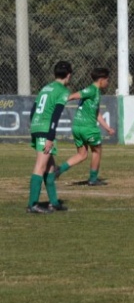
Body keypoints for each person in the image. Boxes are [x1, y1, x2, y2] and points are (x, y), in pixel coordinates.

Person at [27, 60, 80, 214]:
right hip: (45, 130)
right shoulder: (62, 91)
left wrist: (35, 126)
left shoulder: (45, 88)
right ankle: (32, 204)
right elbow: (56, 116)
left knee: (50, 167)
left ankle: (54, 203)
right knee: (41, 166)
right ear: (68, 75)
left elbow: (33, 110)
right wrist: (50, 137)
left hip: (37, 126)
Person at [54, 67, 115, 186]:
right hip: (88, 128)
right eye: (107, 80)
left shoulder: (96, 92)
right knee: (97, 151)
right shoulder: (92, 90)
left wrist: (107, 127)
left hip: (77, 127)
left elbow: (96, 113)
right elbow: (73, 96)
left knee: (82, 155)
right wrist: (58, 100)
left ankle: (59, 170)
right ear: (101, 80)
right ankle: (93, 179)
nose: (108, 83)